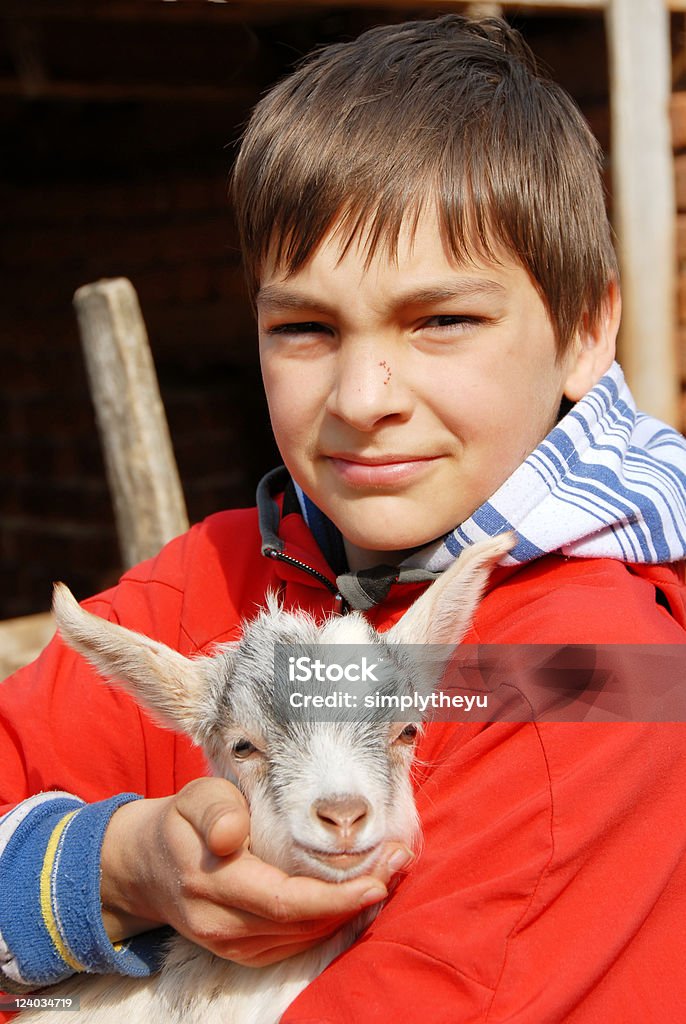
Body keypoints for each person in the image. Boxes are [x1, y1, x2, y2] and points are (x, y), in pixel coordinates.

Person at [2, 13, 686, 1022]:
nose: (364, 396)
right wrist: (116, 867)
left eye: (440, 319)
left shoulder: (596, 678)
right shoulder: (214, 583)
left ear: (585, 329)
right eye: (305, 327)